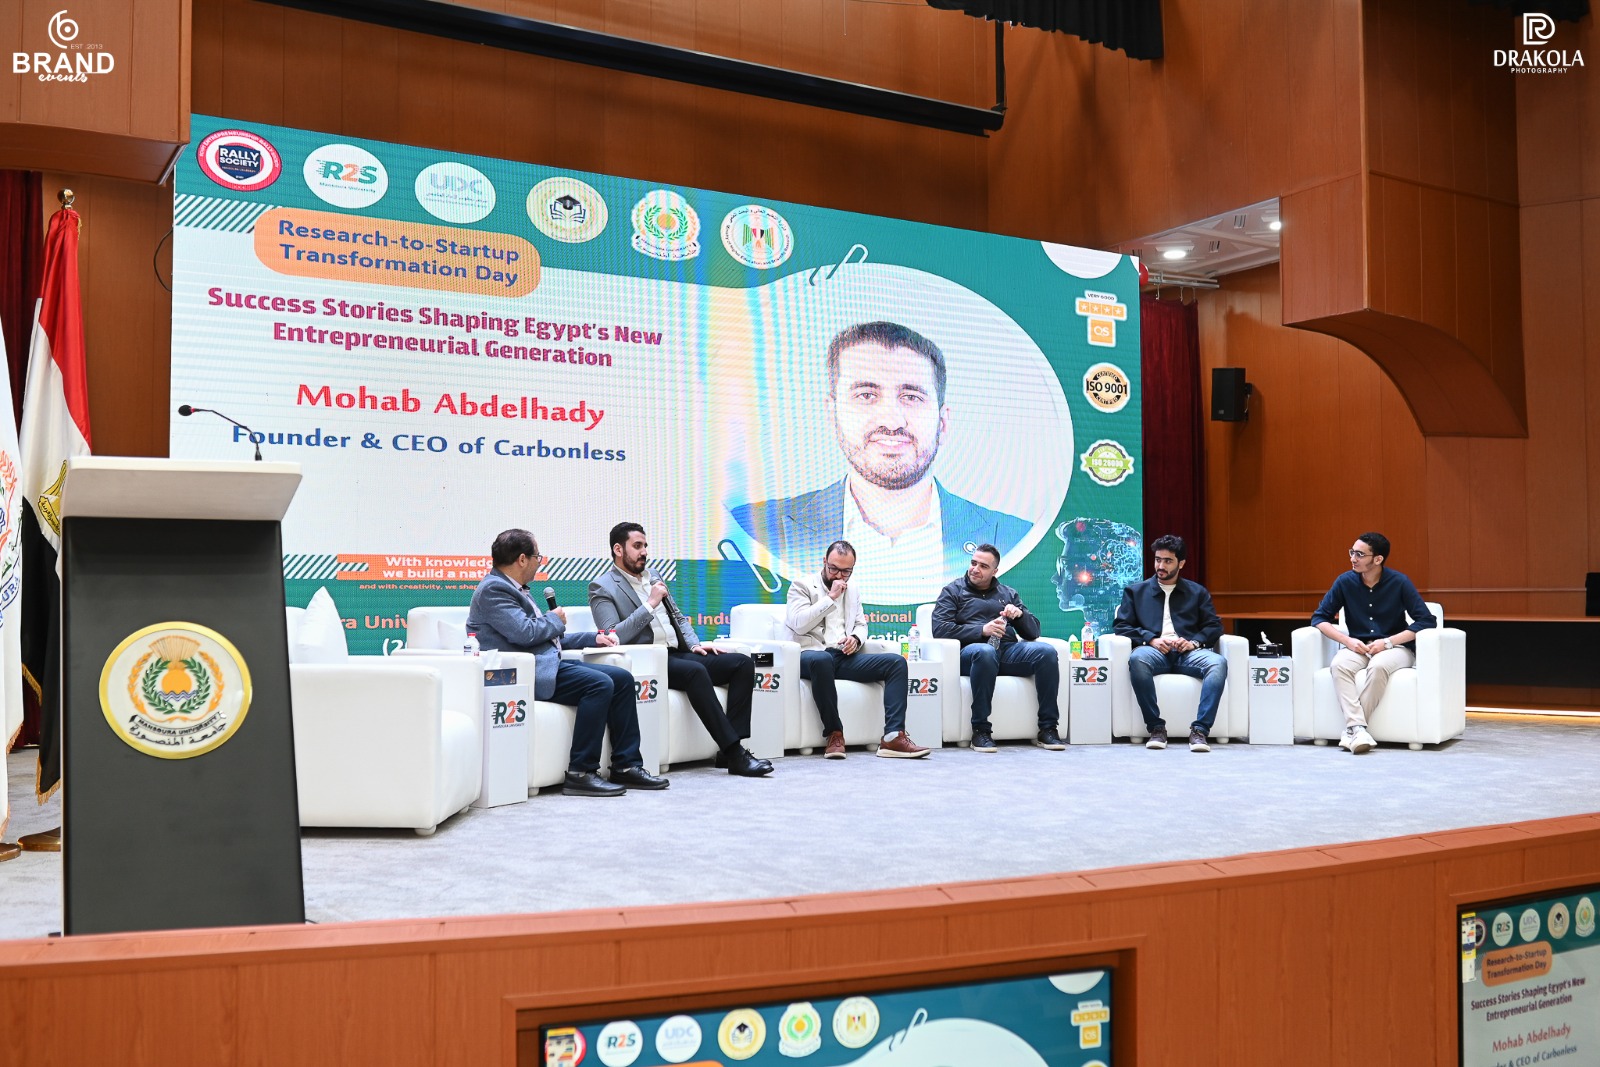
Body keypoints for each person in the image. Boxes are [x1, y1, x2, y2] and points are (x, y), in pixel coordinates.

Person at [730, 321, 1030, 601]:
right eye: (866, 395)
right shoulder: (751, 530)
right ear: (832, 412)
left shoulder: (1015, 537)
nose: (891, 420)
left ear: (942, 422)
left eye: (911, 397)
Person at [467, 529, 668, 797]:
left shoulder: (514, 589)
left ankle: (626, 765)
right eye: (538, 557)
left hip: (547, 664)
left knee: (621, 679)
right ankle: (580, 773)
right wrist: (554, 618)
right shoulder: (494, 589)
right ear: (522, 559)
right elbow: (525, 633)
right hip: (523, 674)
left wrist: (594, 638)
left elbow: (547, 637)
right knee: (599, 684)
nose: (539, 563)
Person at [589, 522, 772, 777]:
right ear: (618, 549)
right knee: (695, 672)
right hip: (648, 659)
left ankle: (730, 750)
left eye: (645, 546)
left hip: (677, 652)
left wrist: (695, 644)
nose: (644, 552)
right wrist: (650, 604)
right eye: (637, 546)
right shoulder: (602, 586)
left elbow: (676, 616)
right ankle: (735, 753)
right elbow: (612, 636)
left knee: (741, 663)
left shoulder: (654, 575)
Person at [785, 540, 931, 760]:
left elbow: (861, 624)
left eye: (846, 571)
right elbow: (798, 624)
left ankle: (893, 737)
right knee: (822, 659)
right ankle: (834, 734)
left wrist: (855, 639)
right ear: (824, 561)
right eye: (833, 569)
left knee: (896, 663)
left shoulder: (852, 587)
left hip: (841, 656)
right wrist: (830, 598)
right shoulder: (802, 585)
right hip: (810, 656)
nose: (839, 576)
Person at [930, 543, 1064, 753]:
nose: (975, 569)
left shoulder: (1008, 593)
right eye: (973, 563)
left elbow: (1033, 632)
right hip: (971, 654)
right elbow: (940, 629)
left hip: (1007, 652)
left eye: (983, 566)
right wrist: (982, 630)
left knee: (1046, 652)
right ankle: (980, 731)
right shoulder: (953, 591)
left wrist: (1019, 616)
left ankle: (1048, 729)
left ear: (995, 571)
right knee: (986, 652)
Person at [1311, 531, 1435, 754]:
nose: (1353, 558)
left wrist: (1388, 642)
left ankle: (1353, 729)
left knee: (1378, 667)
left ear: (1378, 559)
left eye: (1360, 554)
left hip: (1396, 647)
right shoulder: (1345, 581)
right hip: (1358, 646)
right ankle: (1357, 729)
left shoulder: (1399, 582)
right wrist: (1347, 641)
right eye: (1352, 552)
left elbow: (1426, 621)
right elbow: (1319, 618)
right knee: (1338, 665)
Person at [1111, 534, 1227, 753]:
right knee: (1138, 659)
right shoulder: (1136, 592)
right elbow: (1121, 625)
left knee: (1217, 663)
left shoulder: (1197, 592)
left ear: (1181, 563)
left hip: (1188, 654)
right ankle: (1156, 728)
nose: (1160, 566)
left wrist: (1194, 642)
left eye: (1167, 561)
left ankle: (1200, 731)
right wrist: (1150, 639)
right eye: (1158, 560)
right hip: (1154, 652)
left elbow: (1214, 626)